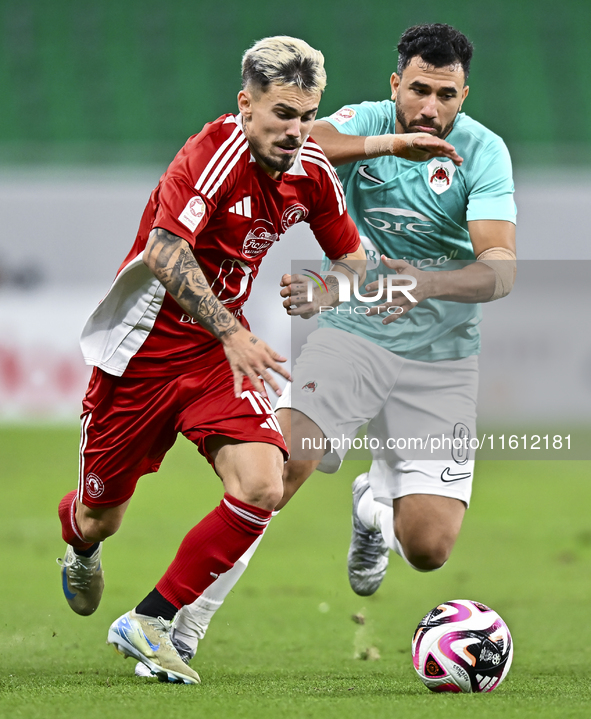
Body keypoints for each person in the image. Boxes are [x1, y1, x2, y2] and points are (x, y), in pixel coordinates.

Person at [135, 22, 516, 677]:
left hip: (441, 359)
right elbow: (303, 140)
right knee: (276, 473)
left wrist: (419, 282)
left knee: (427, 547)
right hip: (353, 337)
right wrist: (389, 144)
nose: (430, 107)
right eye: (418, 90)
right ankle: (182, 627)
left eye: (445, 95)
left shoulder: (483, 153)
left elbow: (499, 270)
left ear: (463, 94)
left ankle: (372, 506)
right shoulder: (368, 122)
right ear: (396, 84)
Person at [56, 35, 373, 685]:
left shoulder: (309, 170)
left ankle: (151, 619)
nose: (296, 130)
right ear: (245, 103)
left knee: (263, 482)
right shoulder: (211, 154)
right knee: (100, 513)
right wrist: (231, 328)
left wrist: (325, 290)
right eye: (282, 113)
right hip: (139, 351)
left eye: (308, 114)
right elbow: (167, 252)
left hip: (215, 355)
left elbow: (352, 260)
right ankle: (80, 544)